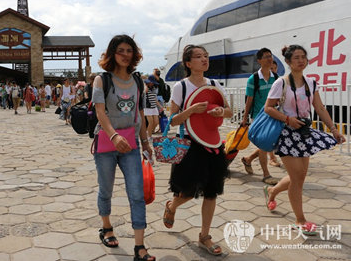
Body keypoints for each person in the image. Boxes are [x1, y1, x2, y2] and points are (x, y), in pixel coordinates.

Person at [263, 45, 345, 235]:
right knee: (298, 179)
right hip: (286, 133)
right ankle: (300, 220)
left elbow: (320, 108)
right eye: (297, 57)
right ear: (289, 62)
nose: (301, 60)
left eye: (304, 57)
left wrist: (333, 129)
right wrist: (288, 119)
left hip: (304, 133)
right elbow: (268, 108)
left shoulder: (311, 82)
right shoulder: (281, 83)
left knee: (298, 177)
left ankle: (273, 191)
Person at [162, 44, 232, 256]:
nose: (204, 59)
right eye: (199, 56)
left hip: (213, 144)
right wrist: (191, 110)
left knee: (212, 192)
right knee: (188, 192)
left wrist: (221, 110)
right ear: (188, 63)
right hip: (191, 145)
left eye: (206, 56)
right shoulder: (181, 87)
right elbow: (172, 121)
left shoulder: (213, 84)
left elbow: (228, 111)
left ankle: (204, 236)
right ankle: (172, 206)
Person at [92, 34, 155, 261]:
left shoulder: (138, 81)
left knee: (137, 193)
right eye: (121, 51)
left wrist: (145, 141)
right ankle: (106, 228)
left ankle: (140, 246)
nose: (126, 55)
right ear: (112, 53)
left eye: (129, 51)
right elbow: (100, 112)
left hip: (132, 145)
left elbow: (139, 113)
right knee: (106, 189)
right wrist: (114, 135)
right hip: (107, 143)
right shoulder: (102, 80)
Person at [240, 48, 281, 184]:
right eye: (266, 57)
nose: (270, 59)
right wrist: (245, 118)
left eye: (270, 56)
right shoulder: (254, 79)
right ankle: (266, 174)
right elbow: (249, 100)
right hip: (259, 117)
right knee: (264, 145)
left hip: (273, 115)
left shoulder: (276, 78)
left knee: (268, 143)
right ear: (259, 61)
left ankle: (248, 159)